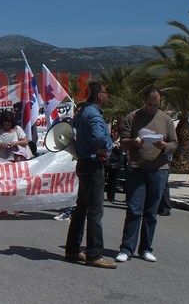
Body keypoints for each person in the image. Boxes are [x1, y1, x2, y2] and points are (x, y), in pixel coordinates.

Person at [116, 86, 178, 263]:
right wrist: (134, 142)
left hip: (159, 170)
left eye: (156, 105)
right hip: (137, 169)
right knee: (134, 210)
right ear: (145, 101)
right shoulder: (133, 117)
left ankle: (145, 248)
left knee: (151, 212)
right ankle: (126, 249)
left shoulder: (166, 119)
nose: (152, 108)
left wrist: (164, 146)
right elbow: (123, 142)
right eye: (150, 104)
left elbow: (174, 143)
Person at [64, 82, 116, 269]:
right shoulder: (94, 114)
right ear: (99, 95)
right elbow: (98, 136)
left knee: (81, 208)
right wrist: (103, 148)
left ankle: (72, 249)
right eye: (105, 92)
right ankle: (94, 254)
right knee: (95, 210)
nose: (107, 95)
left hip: (83, 162)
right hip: (94, 164)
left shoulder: (83, 112)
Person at [105, 127, 122, 203]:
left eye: (115, 130)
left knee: (112, 180)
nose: (113, 131)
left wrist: (114, 147)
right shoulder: (108, 138)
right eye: (112, 130)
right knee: (103, 179)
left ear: (118, 133)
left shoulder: (120, 141)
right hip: (106, 160)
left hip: (115, 162)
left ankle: (111, 197)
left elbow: (119, 152)